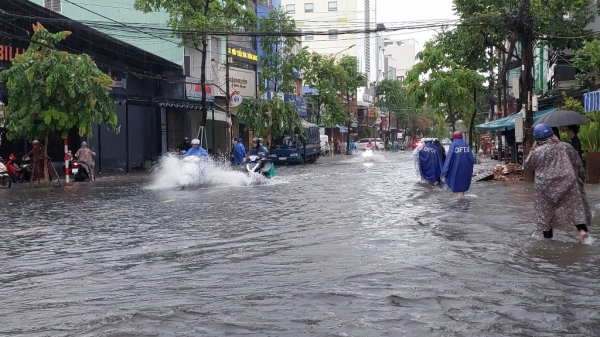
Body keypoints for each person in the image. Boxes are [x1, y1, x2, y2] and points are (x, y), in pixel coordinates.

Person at [524, 123, 591, 241]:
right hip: (567, 182)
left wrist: (533, 148)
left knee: (545, 212)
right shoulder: (566, 146)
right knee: (576, 208)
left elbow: (528, 164)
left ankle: (548, 240)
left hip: (545, 186)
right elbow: (577, 163)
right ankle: (583, 233)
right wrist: (582, 176)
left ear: (537, 139)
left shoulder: (538, 151)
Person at [441, 131, 474, 199]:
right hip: (466, 169)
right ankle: (462, 199)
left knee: (457, 186)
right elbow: (471, 158)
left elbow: (449, 158)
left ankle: (460, 202)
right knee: (463, 185)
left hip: (456, 169)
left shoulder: (454, 144)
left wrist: (444, 171)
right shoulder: (466, 144)